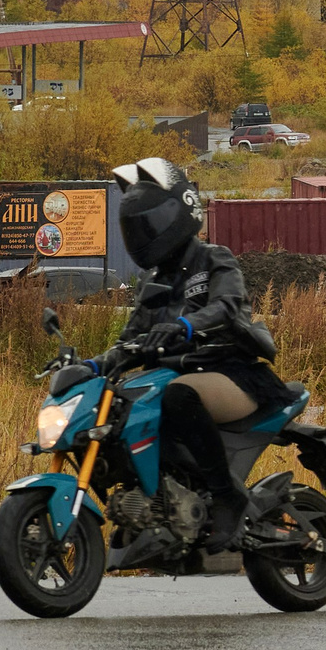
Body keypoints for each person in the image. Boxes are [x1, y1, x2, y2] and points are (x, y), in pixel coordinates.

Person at [97, 157, 296, 554]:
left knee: (179, 396)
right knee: (119, 409)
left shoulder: (215, 258)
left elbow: (226, 305)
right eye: (136, 226)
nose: (143, 233)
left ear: (180, 211)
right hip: (182, 376)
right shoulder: (154, 283)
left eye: (150, 222)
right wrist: (90, 365)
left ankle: (227, 496)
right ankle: (153, 507)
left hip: (233, 374)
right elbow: (129, 339)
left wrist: (185, 326)